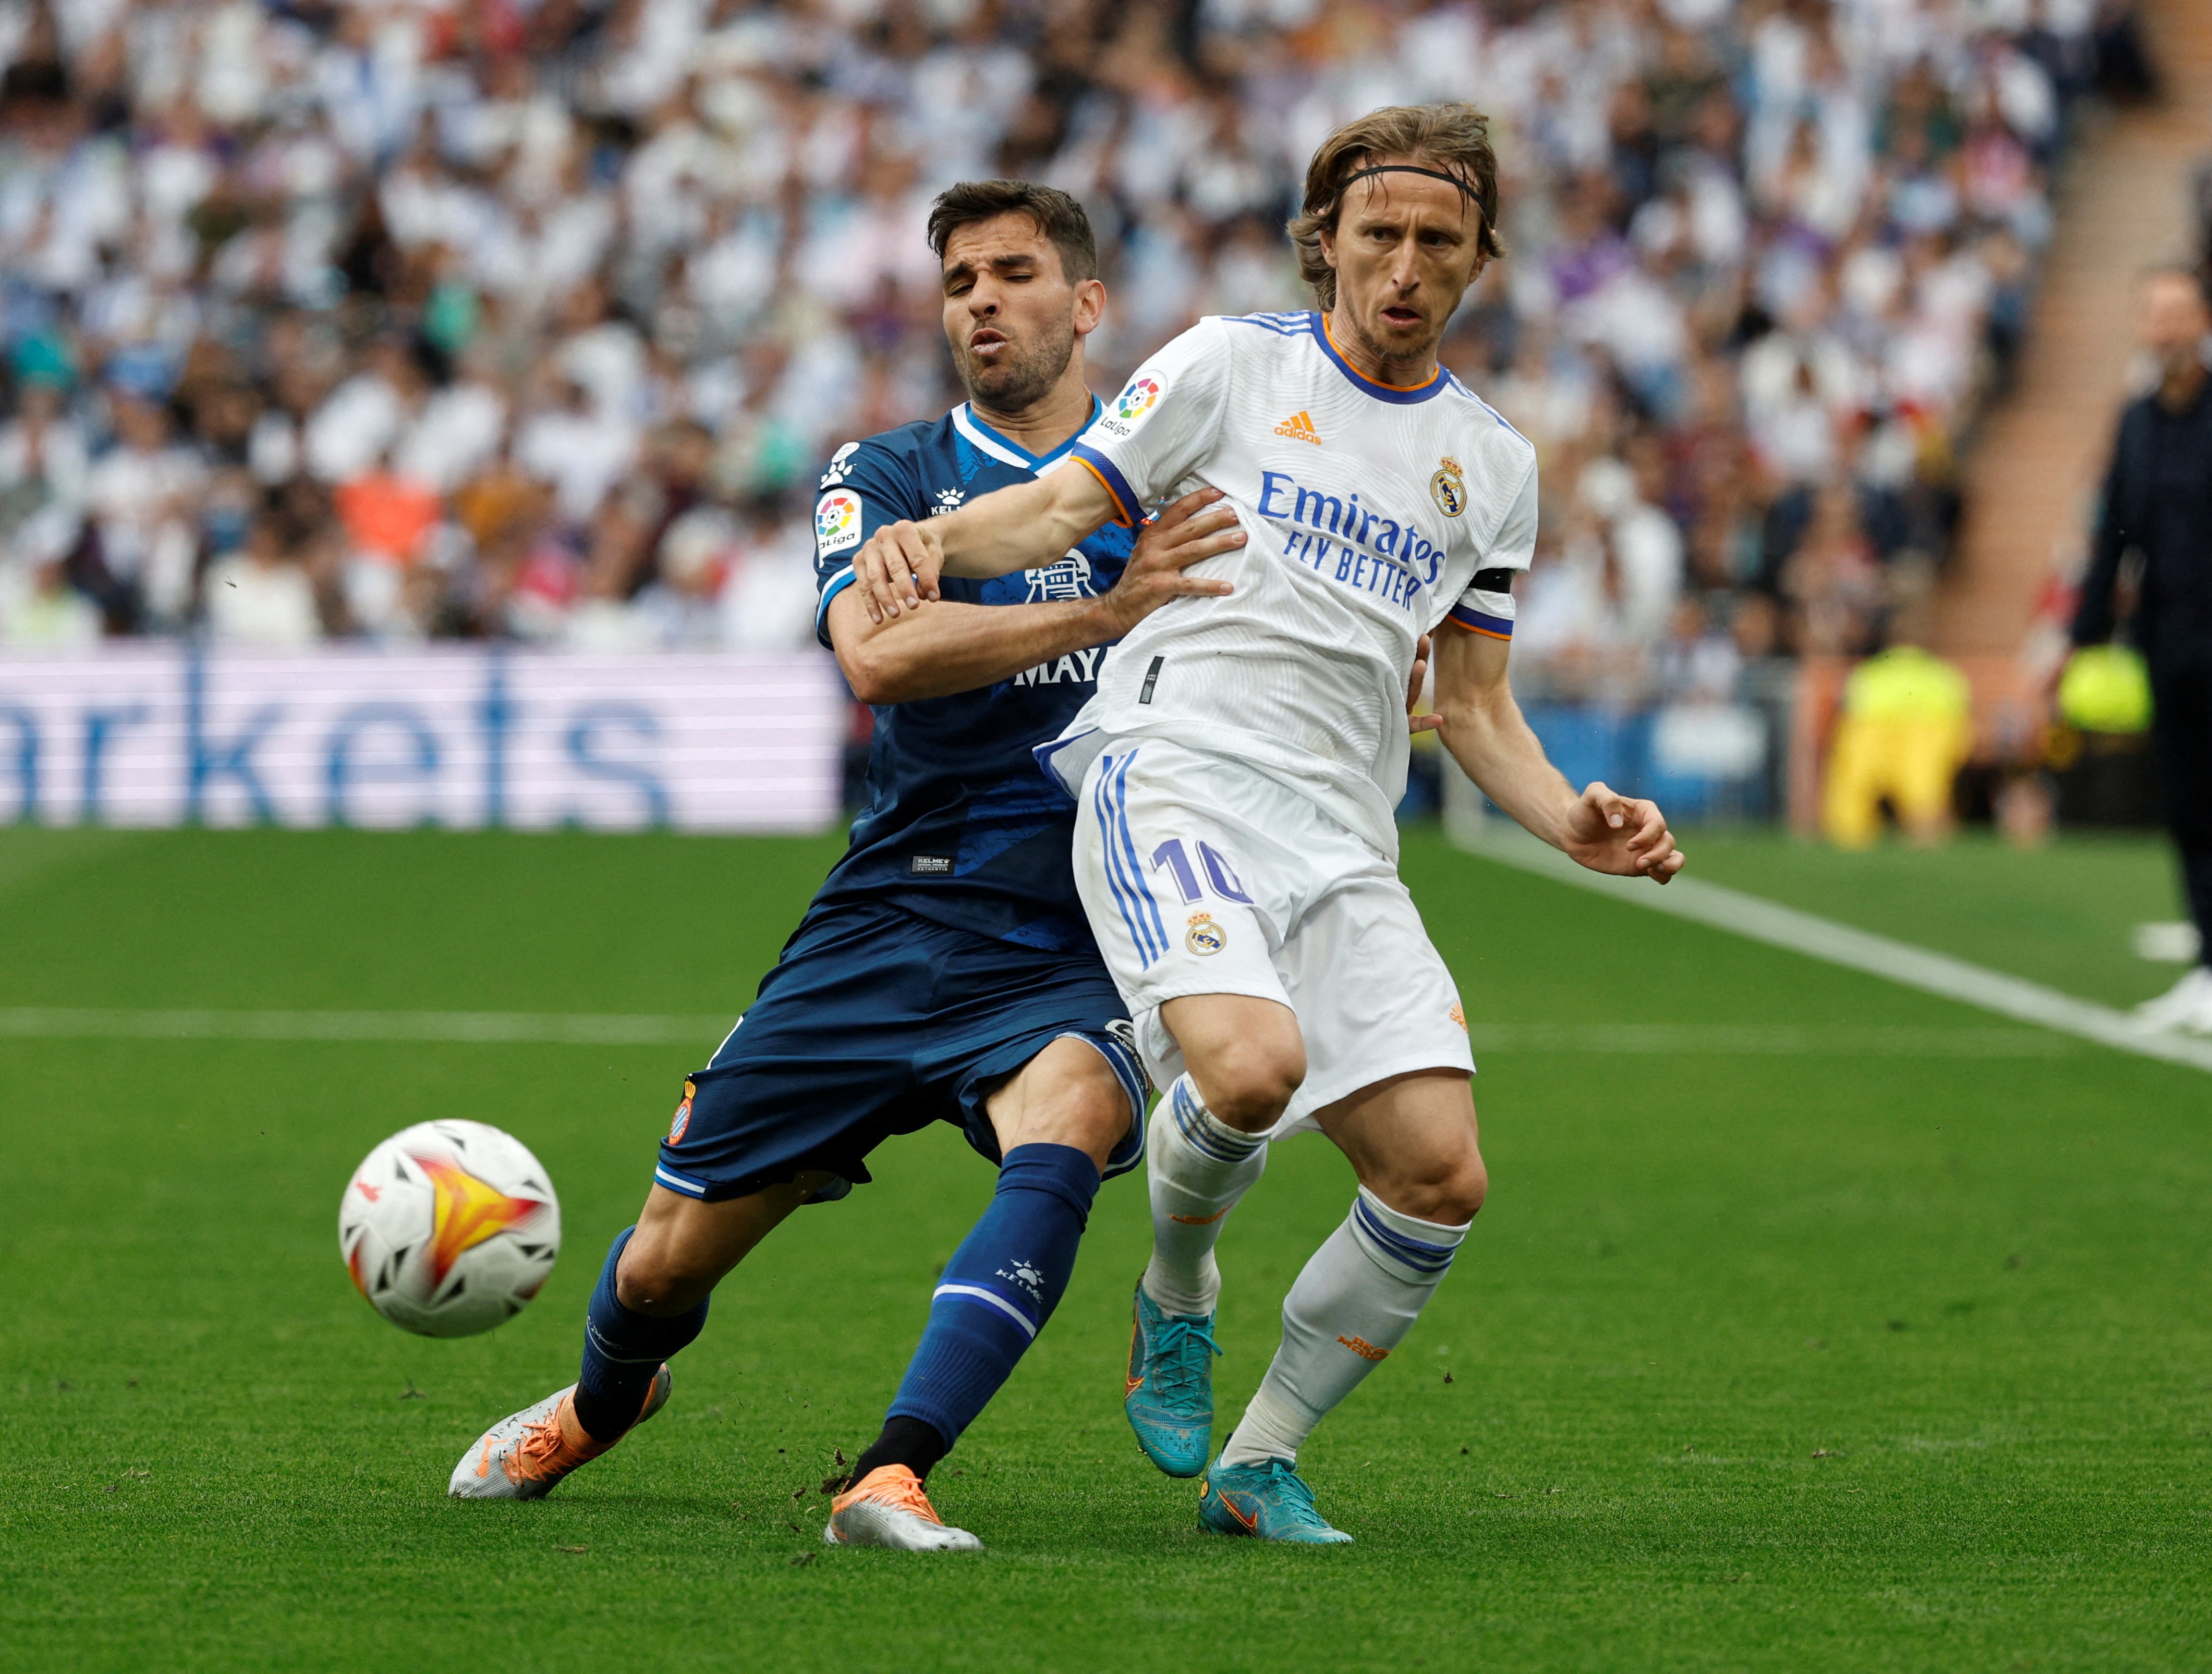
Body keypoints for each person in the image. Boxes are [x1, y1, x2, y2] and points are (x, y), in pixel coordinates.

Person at [852, 104, 1684, 1544]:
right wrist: (930, 538)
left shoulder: (1493, 463)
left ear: (1479, 258)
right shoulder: (1230, 365)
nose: (1406, 266)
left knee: (1440, 1175)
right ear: (1326, 243)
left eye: (1439, 240)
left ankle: (1258, 1463)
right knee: (1247, 1070)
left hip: (1343, 834)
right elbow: (1054, 512)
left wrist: (1572, 819)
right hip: (1174, 765)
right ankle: (1177, 1291)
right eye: (1380, 234)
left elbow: (1475, 703)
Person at [448, 180, 1249, 1550]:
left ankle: (891, 1471)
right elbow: (877, 657)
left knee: (1070, 1113)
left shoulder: (1176, 482)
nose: (981, 302)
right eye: (959, 282)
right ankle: (598, 1403)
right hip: (893, 908)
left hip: (1074, 929)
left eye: (1013, 273)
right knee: (661, 1265)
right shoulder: (885, 477)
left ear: (1088, 304)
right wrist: (1108, 612)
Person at [2072, 267, 2212, 1033]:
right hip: (2167, 636)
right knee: (2187, 802)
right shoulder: (2135, 421)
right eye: (2155, 315)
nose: (2166, 329)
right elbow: (2114, 536)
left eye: (2177, 313)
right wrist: (2083, 636)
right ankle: (2207, 960)